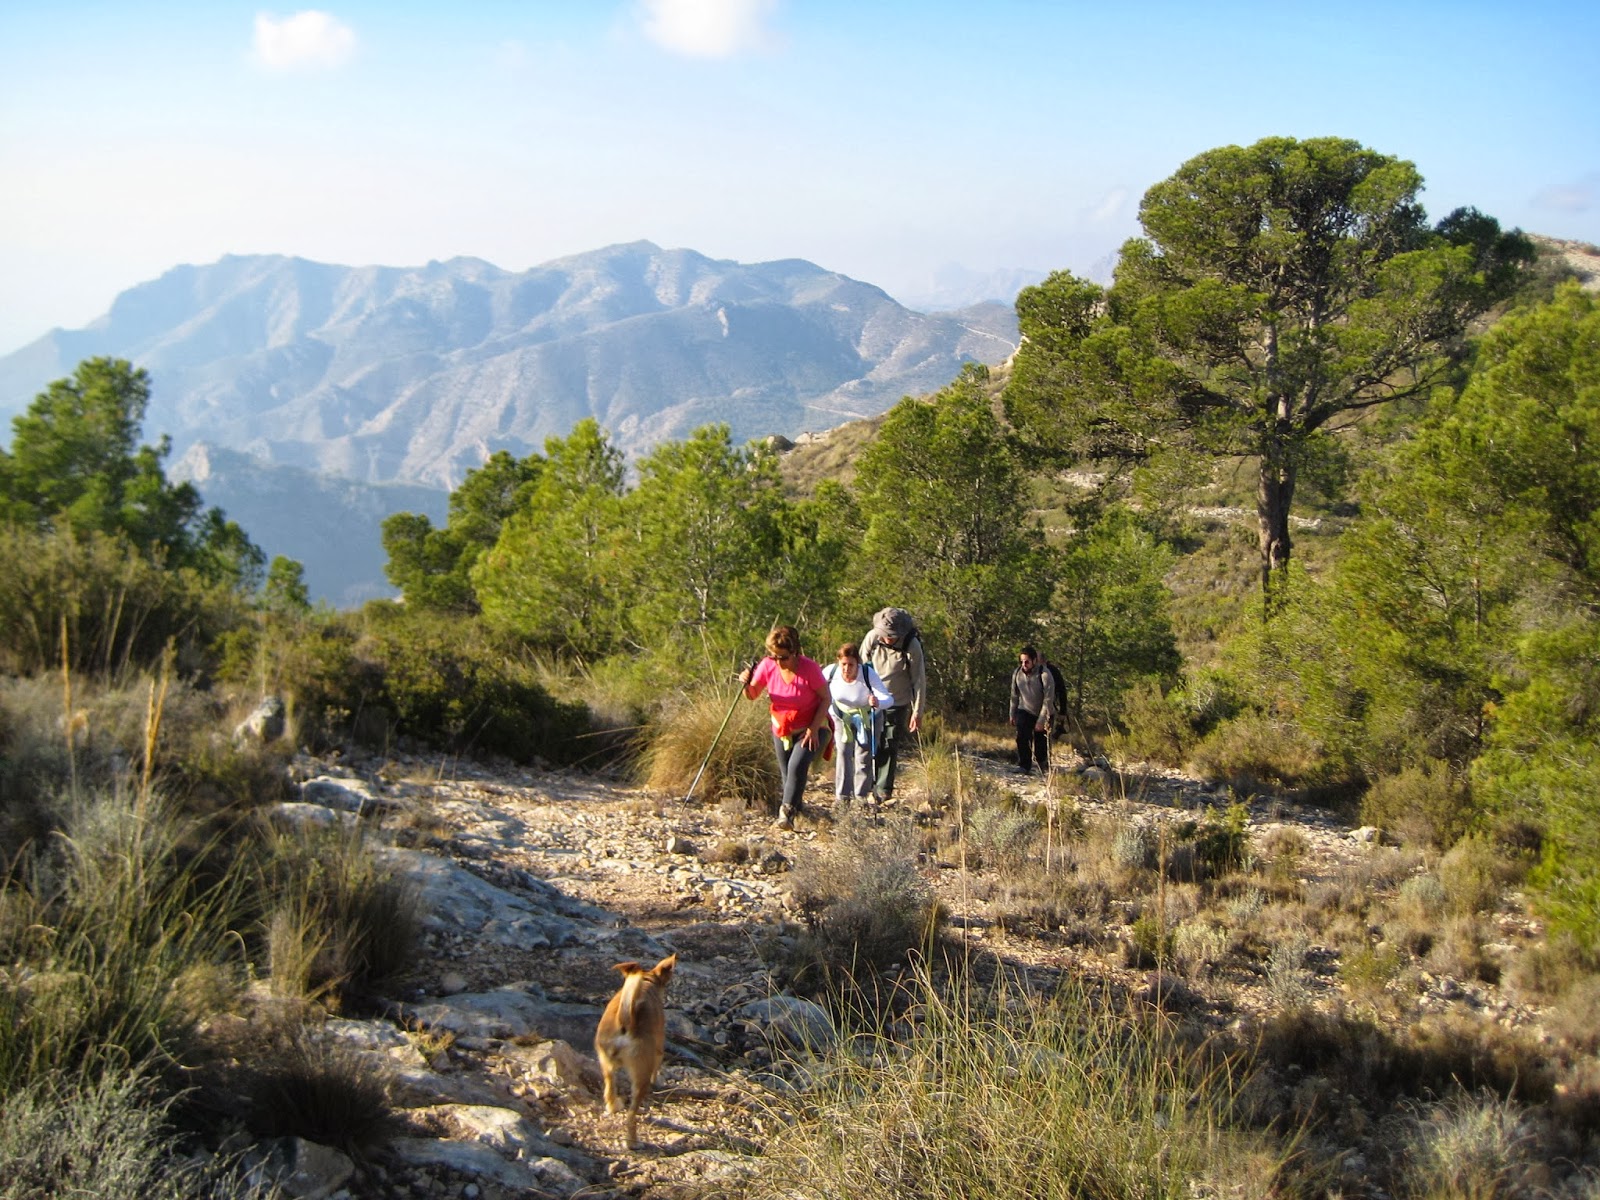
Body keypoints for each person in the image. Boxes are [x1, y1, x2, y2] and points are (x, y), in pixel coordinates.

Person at [739, 625, 831, 830]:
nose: (778, 662)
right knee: (788, 775)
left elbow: (826, 698)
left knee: (796, 766)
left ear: (795, 652)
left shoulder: (810, 669)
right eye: (774, 656)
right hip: (782, 727)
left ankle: (786, 813)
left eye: (783, 657)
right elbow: (752, 695)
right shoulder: (767, 666)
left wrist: (813, 729)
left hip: (812, 726)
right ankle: (798, 811)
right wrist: (746, 684)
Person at [859, 607, 926, 804]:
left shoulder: (911, 645)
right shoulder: (872, 638)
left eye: (892, 635)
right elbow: (861, 667)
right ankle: (865, 785)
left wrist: (917, 711)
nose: (888, 638)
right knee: (870, 741)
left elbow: (919, 680)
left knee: (889, 742)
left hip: (898, 700)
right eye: (885, 634)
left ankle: (883, 788)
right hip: (873, 699)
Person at [822, 642, 894, 805]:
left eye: (851, 665)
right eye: (843, 664)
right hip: (841, 717)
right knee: (843, 754)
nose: (847, 669)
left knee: (864, 756)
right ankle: (842, 798)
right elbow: (817, 689)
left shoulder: (868, 674)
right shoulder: (830, 672)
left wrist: (878, 702)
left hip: (868, 718)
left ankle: (861, 797)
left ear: (858, 664)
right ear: (838, 662)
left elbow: (888, 698)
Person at [1009, 645, 1056, 775]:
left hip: (1044, 712)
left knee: (1041, 743)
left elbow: (1048, 699)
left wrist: (1041, 721)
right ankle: (1024, 765)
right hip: (1025, 709)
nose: (1024, 664)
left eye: (1027, 662)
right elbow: (1014, 695)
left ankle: (1042, 764)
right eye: (1022, 661)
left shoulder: (1045, 675)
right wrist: (1012, 713)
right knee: (1022, 738)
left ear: (1034, 661)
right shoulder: (1017, 673)